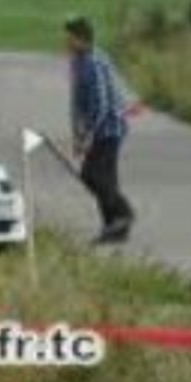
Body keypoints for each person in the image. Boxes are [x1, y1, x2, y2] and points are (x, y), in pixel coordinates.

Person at [65, 16, 135, 244]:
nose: (66, 42)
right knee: (104, 179)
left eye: (70, 38)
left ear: (82, 39)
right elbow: (77, 102)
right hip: (95, 129)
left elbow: (103, 105)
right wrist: (77, 135)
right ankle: (113, 228)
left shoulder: (95, 62)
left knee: (92, 175)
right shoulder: (78, 62)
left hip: (109, 128)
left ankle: (124, 213)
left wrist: (88, 136)